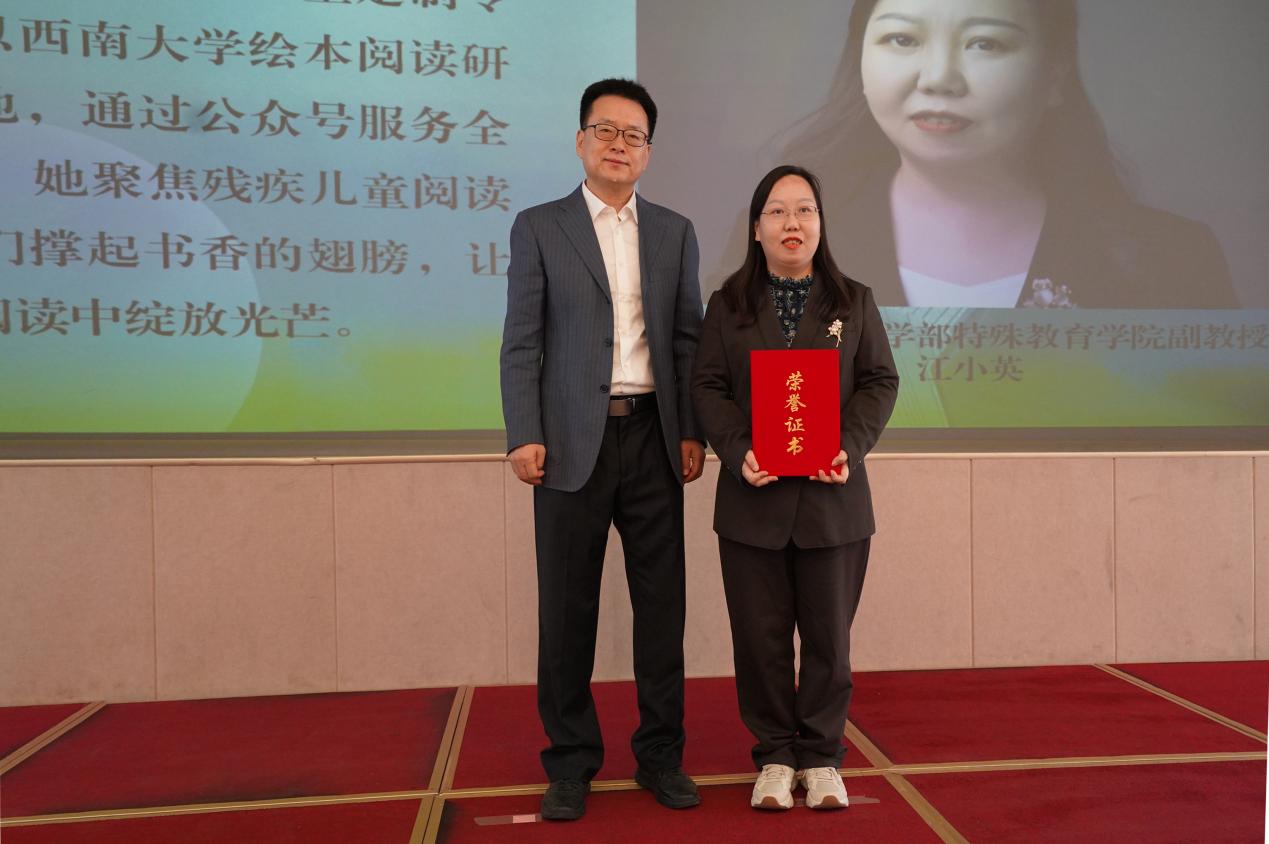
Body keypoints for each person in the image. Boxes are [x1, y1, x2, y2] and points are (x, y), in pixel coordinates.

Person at [500, 78, 706, 821]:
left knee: (662, 610)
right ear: (581, 141)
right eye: (606, 130)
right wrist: (524, 431)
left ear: (648, 151)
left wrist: (690, 430)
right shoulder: (539, 226)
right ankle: (570, 763)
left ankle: (661, 757)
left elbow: (687, 340)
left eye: (634, 135)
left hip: (653, 438)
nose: (620, 144)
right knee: (566, 613)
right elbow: (521, 339)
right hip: (567, 443)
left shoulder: (675, 231)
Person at [775, 0, 1240, 309]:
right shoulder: (781, 240)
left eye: (985, 43)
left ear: (1054, 73)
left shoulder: (1171, 260)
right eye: (902, 39)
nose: (938, 78)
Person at [692, 165, 899, 810]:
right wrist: (739, 451)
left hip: (833, 502)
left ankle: (824, 757)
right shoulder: (727, 305)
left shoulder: (853, 301)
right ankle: (776, 757)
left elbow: (880, 381)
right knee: (761, 644)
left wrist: (848, 446)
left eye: (805, 210)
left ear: (820, 224)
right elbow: (707, 387)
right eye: (777, 211)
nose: (792, 223)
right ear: (756, 228)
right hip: (752, 504)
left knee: (830, 642)